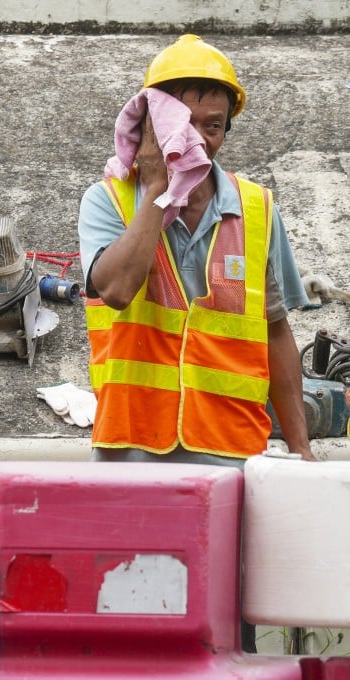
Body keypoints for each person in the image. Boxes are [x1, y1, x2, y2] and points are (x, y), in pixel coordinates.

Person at [77, 34, 316, 466]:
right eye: (185, 125)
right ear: (152, 123)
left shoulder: (257, 209)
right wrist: (155, 189)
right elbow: (115, 289)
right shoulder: (108, 200)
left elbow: (276, 334)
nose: (200, 142)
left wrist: (302, 449)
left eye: (214, 125)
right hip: (132, 451)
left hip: (233, 453)